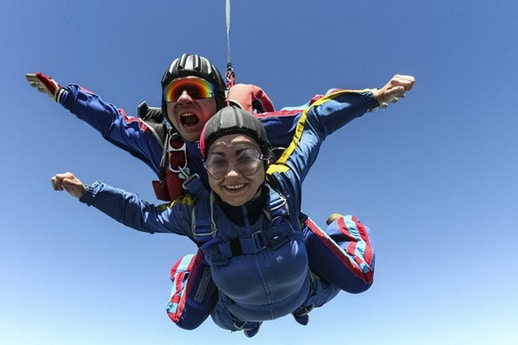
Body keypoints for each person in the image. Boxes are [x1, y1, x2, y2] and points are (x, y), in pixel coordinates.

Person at [28, 53, 415, 329]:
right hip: (211, 235)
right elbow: (114, 125)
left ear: (218, 100)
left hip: (277, 223)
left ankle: (332, 243)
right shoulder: (163, 144)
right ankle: (223, 296)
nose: (184, 100)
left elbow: (310, 120)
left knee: (357, 279)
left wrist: (372, 98)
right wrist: (66, 96)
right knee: (195, 318)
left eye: (195, 90)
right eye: (175, 95)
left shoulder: (255, 129)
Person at [51, 106, 376, 337]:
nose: (233, 174)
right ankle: (189, 270)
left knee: (360, 279)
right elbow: (143, 215)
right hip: (237, 307)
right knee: (184, 320)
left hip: (302, 292)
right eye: (218, 161)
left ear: (266, 160)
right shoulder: (194, 212)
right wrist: (89, 193)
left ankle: (344, 226)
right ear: (205, 169)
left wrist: (371, 99)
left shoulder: (284, 183)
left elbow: (315, 126)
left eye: (246, 157)